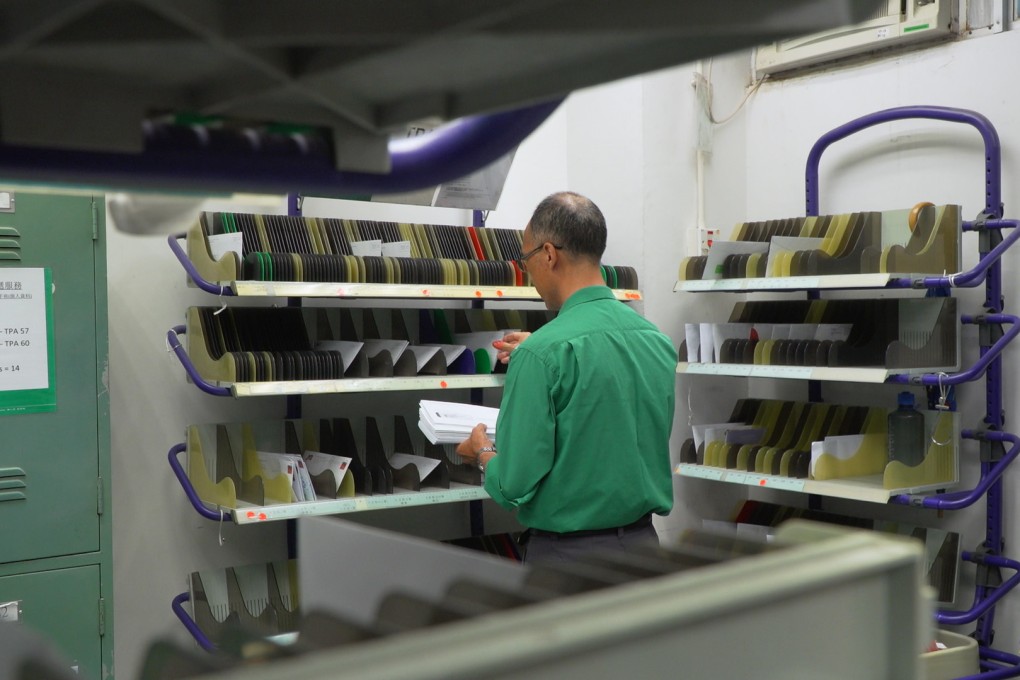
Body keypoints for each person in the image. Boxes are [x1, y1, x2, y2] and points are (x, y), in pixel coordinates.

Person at [456, 191, 677, 563]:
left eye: (527, 260)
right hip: (645, 550)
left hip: (569, 561)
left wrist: (481, 453)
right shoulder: (656, 341)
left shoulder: (542, 355)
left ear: (548, 254)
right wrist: (541, 347)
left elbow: (513, 484)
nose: (530, 275)